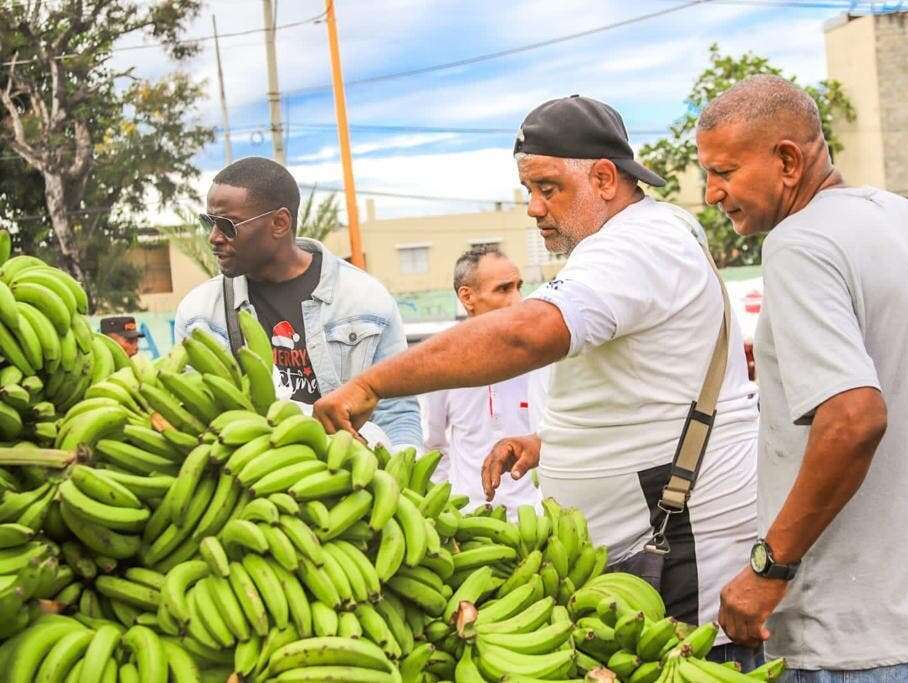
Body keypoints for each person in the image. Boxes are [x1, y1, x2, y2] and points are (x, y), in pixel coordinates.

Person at [315, 95, 761, 665]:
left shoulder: (640, 244)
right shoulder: (643, 235)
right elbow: (649, 385)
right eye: (529, 191)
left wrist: (373, 384)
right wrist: (549, 443)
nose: (533, 208)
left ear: (604, 178)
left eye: (548, 188)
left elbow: (526, 334)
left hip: (682, 557)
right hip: (636, 554)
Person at [701, 75, 908, 681]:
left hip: (855, 638)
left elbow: (854, 416)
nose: (711, 193)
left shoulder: (800, 242)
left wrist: (768, 568)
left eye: (724, 171)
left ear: (787, 160)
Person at [174, 156, 420, 449]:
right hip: (247, 480)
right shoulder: (199, 315)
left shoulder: (364, 300)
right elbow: (193, 414)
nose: (214, 237)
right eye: (209, 222)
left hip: (350, 479)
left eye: (227, 225)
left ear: (279, 223)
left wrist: (399, 484)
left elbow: (398, 413)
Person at [423, 246, 542, 514]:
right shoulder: (443, 359)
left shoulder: (542, 356)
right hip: (470, 522)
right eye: (503, 289)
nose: (517, 300)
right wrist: (445, 510)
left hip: (538, 516)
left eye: (518, 287)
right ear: (467, 297)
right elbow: (433, 445)